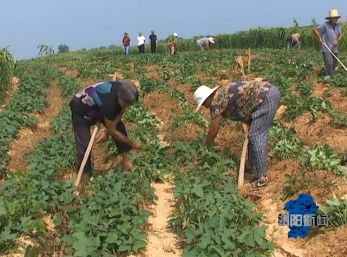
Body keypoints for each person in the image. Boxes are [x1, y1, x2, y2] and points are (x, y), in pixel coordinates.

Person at [193, 79, 281, 188]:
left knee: (256, 134)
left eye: (203, 104)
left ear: (207, 98)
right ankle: (252, 167)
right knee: (253, 134)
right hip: (269, 94)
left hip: (265, 97)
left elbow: (214, 128)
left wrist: (206, 145)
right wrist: (246, 125)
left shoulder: (216, 101)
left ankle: (262, 177)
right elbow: (244, 105)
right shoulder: (223, 92)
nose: (205, 107)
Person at [70, 80, 142, 179]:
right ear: (120, 99)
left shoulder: (122, 90)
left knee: (119, 127)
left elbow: (118, 117)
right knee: (84, 145)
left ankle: (126, 161)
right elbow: (113, 130)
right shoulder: (110, 104)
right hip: (81, 110)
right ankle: (84, 177)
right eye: (127, 104)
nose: (128, 107)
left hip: (99, 108)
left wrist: (107, 132)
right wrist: (131, 143)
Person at [313, 9, 343, 76]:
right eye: (334, 18)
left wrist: (337, 41)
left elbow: (340, 35)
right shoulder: (325, 25)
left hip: (334, 48)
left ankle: (328, 73)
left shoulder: (338, 25)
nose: (336, 19)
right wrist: (319, 38)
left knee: (334, 64)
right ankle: (331, 78)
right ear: (330, 18)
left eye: (336, 17)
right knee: (329, 63)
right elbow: (314, 29)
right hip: (326, 48)